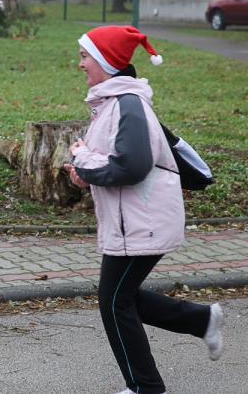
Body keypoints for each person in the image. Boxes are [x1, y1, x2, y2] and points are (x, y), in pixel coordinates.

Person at [63, 25, 224, 394]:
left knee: (114, 303)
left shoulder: (128, 105)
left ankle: (145, 387)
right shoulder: (113, 103)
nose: (80, 64)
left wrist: (84, 161)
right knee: (123, 297)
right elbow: (119, 162)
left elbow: (133, 167)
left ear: (105, 61)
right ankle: (202, 320)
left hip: (143, 222)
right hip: (134, 221)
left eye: (85, 56)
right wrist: (86, 176)